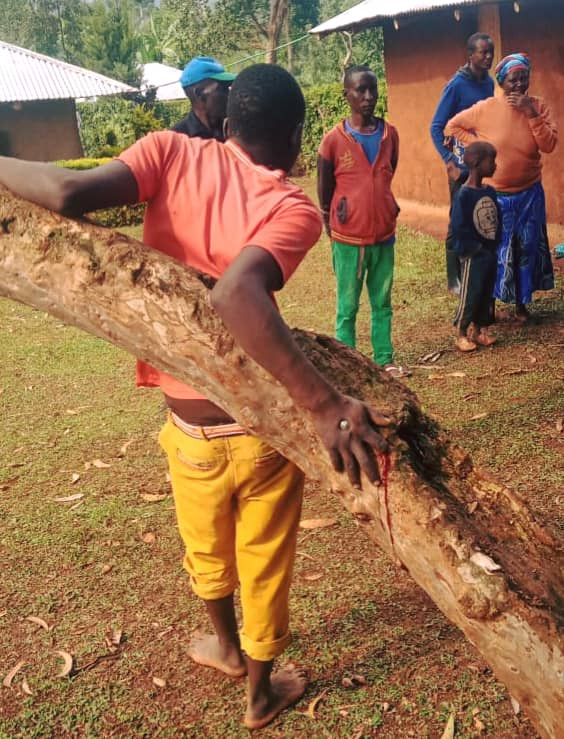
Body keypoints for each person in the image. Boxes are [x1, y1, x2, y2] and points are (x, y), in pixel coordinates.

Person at [0, 64, 392, 730]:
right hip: (262, 428)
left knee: (205, 549)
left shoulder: (167, 151)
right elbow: (238, 291)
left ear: (226, 119)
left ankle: (226, 648)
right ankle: (261, 692)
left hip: (189, 427)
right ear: (298, 138)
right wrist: (326, 406)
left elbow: (65, 190)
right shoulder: (292, 209)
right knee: (265, 560)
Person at [445, 53, 557, 321]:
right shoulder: (485, 108)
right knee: (496, 252)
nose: (519, 84)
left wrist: (530, 113)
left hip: (530, 194)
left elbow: (549, 145)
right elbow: (452, 126)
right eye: (512, 79)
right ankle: (490, 305)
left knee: (526, 251)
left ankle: (521, 304)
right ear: (501, 81)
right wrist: (476, 148)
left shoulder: (538, 107)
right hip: (496, 197)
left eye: (523, 77)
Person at [317, 65, 407, 378]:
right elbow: (324, 191)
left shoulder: (389, 135)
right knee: (348, 305)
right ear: (347, 96)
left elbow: (388, 172)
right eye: (360, 90)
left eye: (372, 89)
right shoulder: (333, 141)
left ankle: (384, 358)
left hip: (384, 235)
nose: (368, 97)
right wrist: (333, 220)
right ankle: (348, 364)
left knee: (382, 301)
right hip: (348, 240)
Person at [430, 32, 495, 295]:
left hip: (482, 165)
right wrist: (449, 162)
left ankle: (475, 272)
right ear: (470, 55)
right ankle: (454, 278)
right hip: (460, 166)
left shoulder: (489, 83)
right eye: (483, 52)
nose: (488, 56)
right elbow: (436, 127)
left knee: (479, 219)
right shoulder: (456, 86)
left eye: (491, 51)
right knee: (457, 220)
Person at [450, 141, 501, 352]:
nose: (495, 165)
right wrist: (472, 249)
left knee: (487, 293)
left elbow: (497, 218)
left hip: (490, 251)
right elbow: (459, 226)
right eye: (492, 161)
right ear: (478, 163)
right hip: (474, 254)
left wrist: (495, 243)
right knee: (471, 293)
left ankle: (480, 330)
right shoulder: (464, 195)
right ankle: (462, 332)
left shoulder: (490, 191)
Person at [171, 56, 236, 141]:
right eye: (222, 89)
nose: (229, 94)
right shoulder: (179, 140)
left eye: (228, 88)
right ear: (199, 93)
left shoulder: (236, 131)